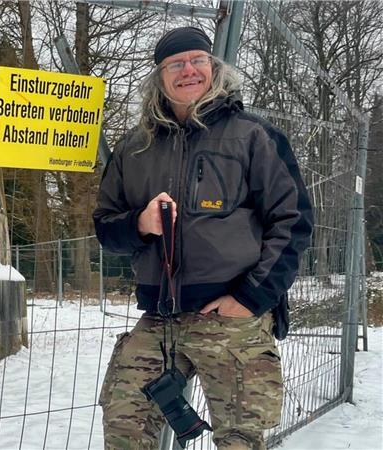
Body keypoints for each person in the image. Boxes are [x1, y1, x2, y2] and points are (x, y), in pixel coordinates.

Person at [92, 27, 313, 450]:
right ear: (159, 77)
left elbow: (293, 221)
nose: (189, 70)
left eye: (198, 60)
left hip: (232, 314)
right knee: (124, 427)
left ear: (214, 67)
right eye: (175, 64)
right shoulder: (133, 148)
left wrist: (250, 297)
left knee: (239, 439)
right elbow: (105, 227)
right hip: (161, 316)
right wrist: (140, 224)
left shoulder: (253, 136)